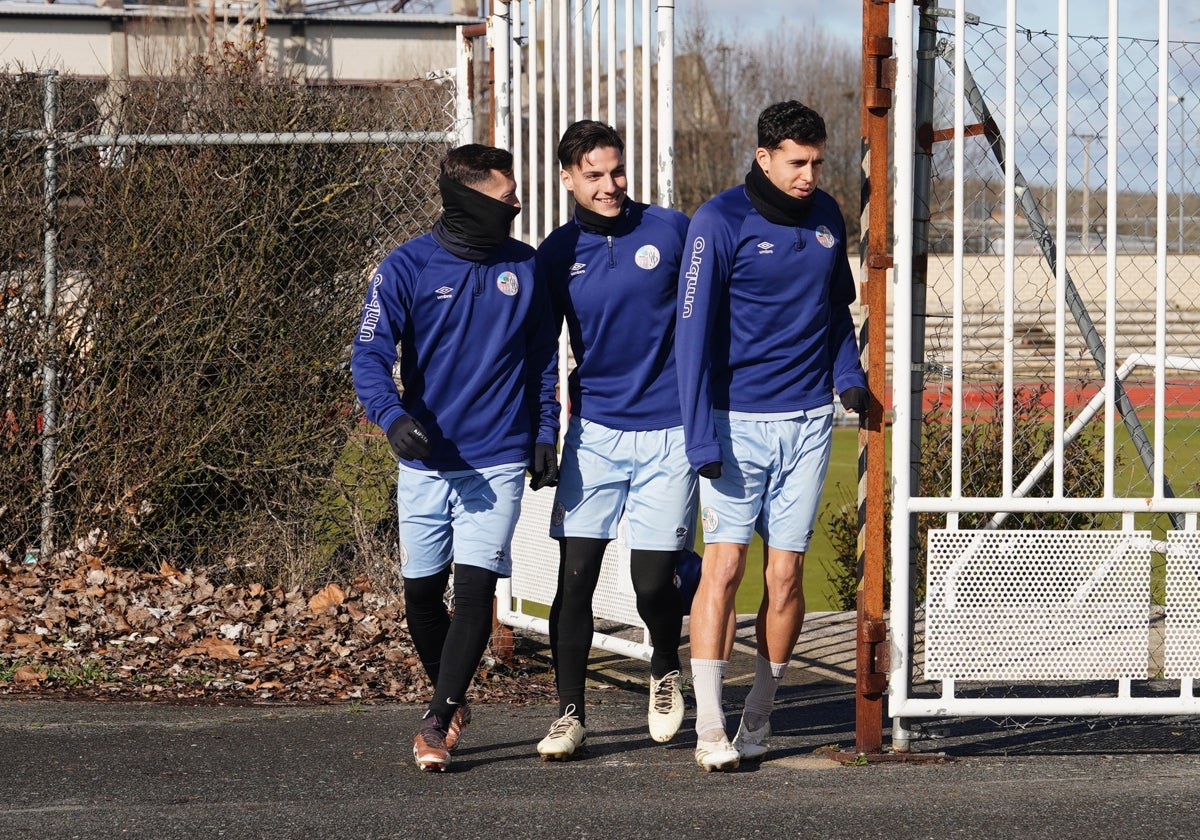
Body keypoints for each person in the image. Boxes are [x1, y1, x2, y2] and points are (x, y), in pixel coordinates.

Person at [351, 143, 560, 773]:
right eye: (506, 196)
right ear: (468, 198)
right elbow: (367, 357)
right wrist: (391, 418)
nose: (517, 204)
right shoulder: (405, 267)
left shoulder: (525, 268)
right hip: (424, 463)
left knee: (474, 592)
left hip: (495, 460)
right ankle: (452, 691)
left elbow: (543, 361)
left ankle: (437, 720)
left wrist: (544, 430)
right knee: (421, 597)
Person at [674, 101, 868, 771]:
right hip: (733, 425)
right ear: (764, 158)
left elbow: (836, 315)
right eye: (797, 163)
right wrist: (701, 436)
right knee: (724, 568)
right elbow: (691, 339)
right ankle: (709, 725)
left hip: (809, 422)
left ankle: (760, 706)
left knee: (784, 577)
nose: (810, 175)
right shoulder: (717, 221)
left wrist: (850, 379)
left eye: (818, 162)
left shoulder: (826, 216)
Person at [534, 120, 697, 759]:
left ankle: (664, 663)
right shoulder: (554, 253)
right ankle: (570, 713)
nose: (610, 186)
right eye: (595, 175)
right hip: (595, 433)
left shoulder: (671, 231)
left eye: (617, 171)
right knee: (575, 580)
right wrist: (545, 429)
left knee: (652, 583)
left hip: (670, 433)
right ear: (568, 179)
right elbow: (542, 350)